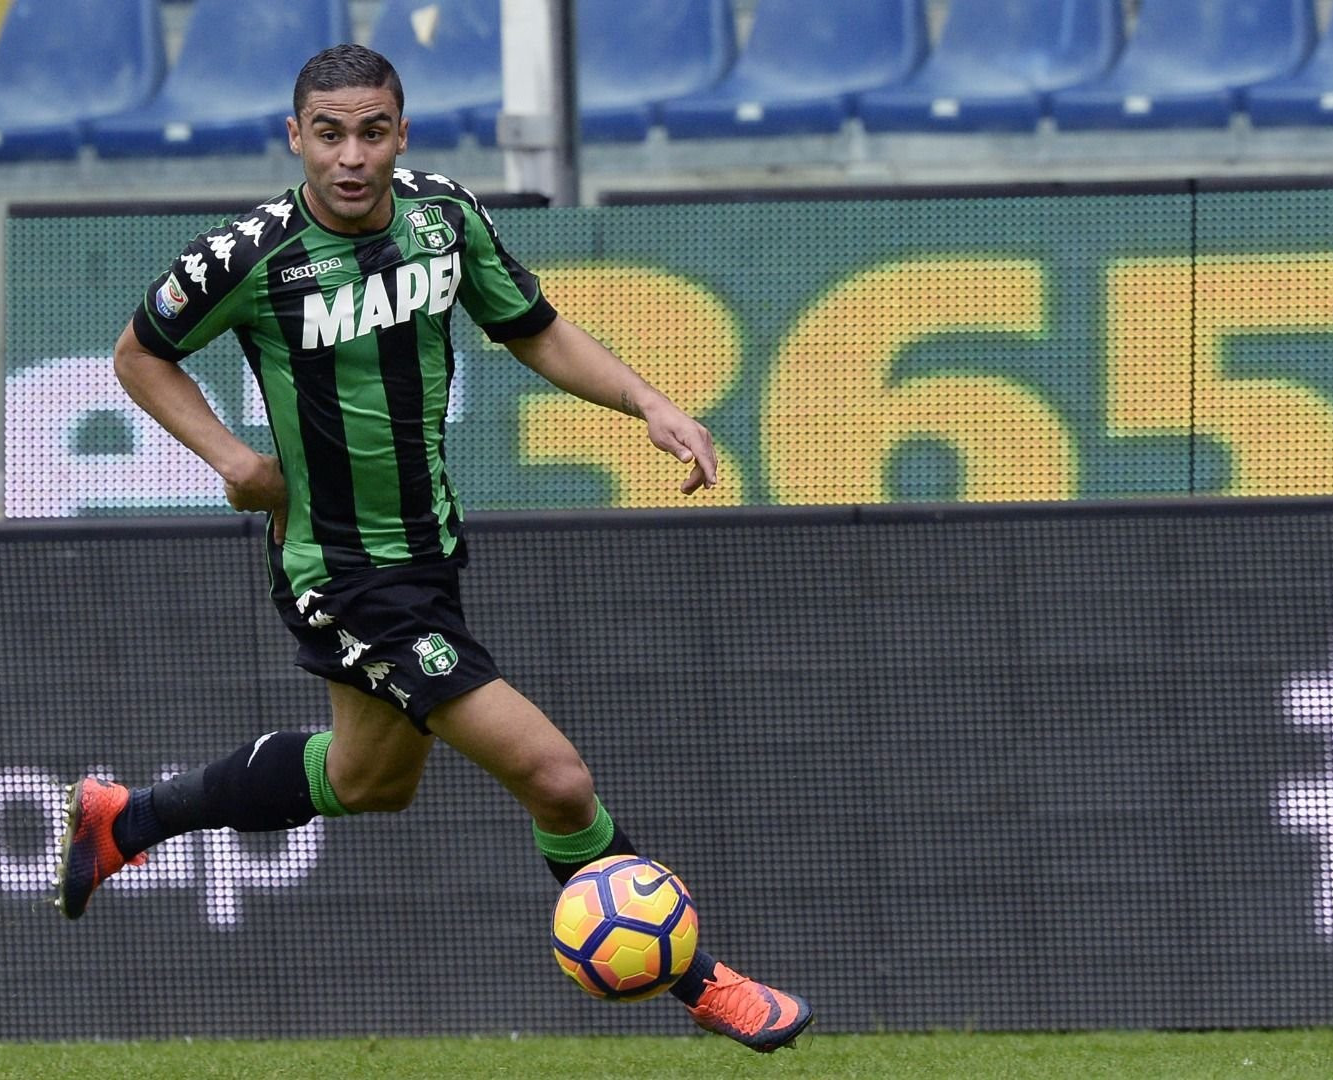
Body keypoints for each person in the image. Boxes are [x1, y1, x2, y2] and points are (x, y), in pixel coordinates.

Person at [54, 43, 813, 1053]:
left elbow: (533, 328)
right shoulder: (248, 257)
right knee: (556, 779)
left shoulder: (443, 218)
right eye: (330, 135)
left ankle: (126, 819)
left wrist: (647, 402)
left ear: (401, 135)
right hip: (341, 573)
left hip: (429, 555)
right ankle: (703, 982)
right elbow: (138, 355)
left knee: (370, 780)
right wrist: (235, 460)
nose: (352, 157)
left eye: (373, 133)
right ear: (296, 138)